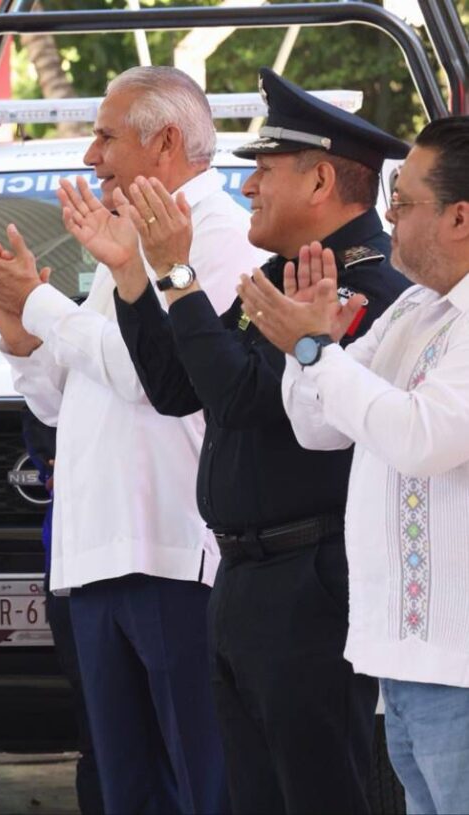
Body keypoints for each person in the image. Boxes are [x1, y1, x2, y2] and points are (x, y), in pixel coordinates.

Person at [59, 68, 411, 813]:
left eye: (265, 169)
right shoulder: (282, 275)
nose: (247, 185)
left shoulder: (364, 285)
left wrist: (178, 273)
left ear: (320, 180)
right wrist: (133, 277)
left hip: (310, 578)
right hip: (246, 576)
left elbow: (244, 399)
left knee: (318, 792)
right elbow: (178, 386)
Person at [0, 66, 263, 813]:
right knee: (126, 787)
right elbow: (67, 405)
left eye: (105, 136)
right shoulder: (128, 234)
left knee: (201, 782)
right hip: (96, 553)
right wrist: (20, 335)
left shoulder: (215, 235)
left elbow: (148, 378)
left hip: (169, 552)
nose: (90, 156)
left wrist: (41, 302)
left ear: (165, 143)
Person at [236, 115, 469, 815]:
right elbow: (318, 427)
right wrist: (308, 350)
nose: (389, 217)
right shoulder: (415, 309)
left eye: (405, 202)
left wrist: (315, 351)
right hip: (403, 652)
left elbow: (424, 437)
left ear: (460, 218)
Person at [20, 410, 104, 815]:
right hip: (68, 561)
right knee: (97, 732)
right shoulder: (45, 387)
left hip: (126, 560)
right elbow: (38, 404)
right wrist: (54, 463)